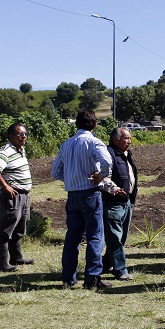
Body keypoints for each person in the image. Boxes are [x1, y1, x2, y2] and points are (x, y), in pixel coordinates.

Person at [52, 109, 113, 290]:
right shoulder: (94, 142)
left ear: (77, 124)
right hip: (90, 194)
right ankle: (92, 278)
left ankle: (68, 279)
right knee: (95, 237)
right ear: (94, 125)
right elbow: (107, 162)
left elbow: (55, 172)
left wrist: (71, 178)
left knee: (72, 237)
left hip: (72, 195)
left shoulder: (67, 144)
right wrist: (101, 176)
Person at [0, 122, 34, 272]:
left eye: (25, 134)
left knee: (20, 226)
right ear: (11, 136)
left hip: (24, 195)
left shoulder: (21, 150)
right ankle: (2, 264)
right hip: (12, 196)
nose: (24, 137)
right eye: (20, 134)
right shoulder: (5, 151)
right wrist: (6, 186)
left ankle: (16, 257)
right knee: (6, 229)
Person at [98, 127, 137, 281]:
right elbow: (103, 177)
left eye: (129, 138)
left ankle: (104, 264)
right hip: (112, 202)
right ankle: (120, 270)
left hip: (126, 202)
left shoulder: (126, 154)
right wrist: (114, 189)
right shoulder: (109, 154)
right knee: (114, 237)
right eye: (126, 138)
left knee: (121, 238)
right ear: (116, 139)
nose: (129, 141)